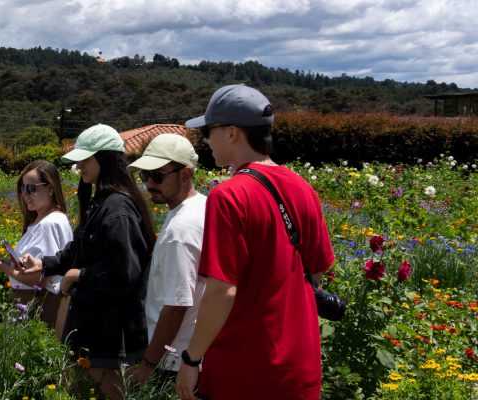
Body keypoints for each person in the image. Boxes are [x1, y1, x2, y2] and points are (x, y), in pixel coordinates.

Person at [176, 85, 335, 400]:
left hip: (244, 370)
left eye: (208, 130)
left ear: (232, 132)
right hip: (299, 368)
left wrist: (191, 358)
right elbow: (315, 274)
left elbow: (222, 291)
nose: (205, 139)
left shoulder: (229, 195)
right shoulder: (304, 188)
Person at [19, 124, 157, 399]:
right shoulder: (103, 203)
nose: (80, 165)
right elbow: (79, 248)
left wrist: (77, 276)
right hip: (94, 332)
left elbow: (124, 275)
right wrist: (45, 264)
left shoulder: (118, 209)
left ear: (105, 158)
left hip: (111, 339)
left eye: (86, 158)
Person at [127, 134, 206, 384]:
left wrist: (148, 366)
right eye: (144, 175)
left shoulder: (180, 230)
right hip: (193, 353)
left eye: (158, 175)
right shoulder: (203, 206)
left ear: (186, 174)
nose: (149, 183)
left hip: (173, 361)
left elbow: (176, 306)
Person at [0, 160, 73, 339]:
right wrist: (6, 262)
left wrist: (5, 268)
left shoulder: (49, 224)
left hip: (37, 306)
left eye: (31, 188)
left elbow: (39, 279)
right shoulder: (45, 220)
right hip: (33, 304)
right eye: (22, 188)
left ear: (51, 189)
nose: (25, 194)